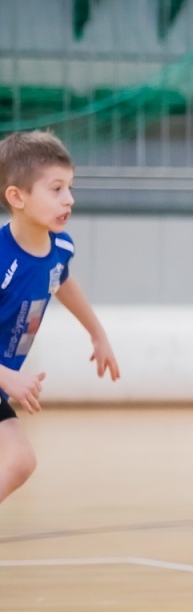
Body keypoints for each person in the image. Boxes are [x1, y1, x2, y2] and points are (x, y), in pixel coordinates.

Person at [0, 131, 119, 504]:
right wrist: (7, 377)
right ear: (17, 197)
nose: (69, 199)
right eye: (56, 189)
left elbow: (60, 280)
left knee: (19, 461)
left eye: (69, 187)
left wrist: (97, 333)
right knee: (19, 459)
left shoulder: (61, 246)